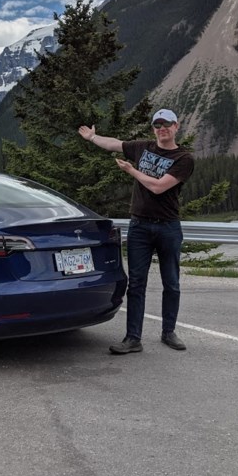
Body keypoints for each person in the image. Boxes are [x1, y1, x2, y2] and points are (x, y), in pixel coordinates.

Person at [78, 109, 195, 354]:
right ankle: (133, 338)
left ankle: (168, 332)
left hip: (168, 227)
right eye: (157, 124)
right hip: (139, 226)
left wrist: (131, 171)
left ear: (177, 126)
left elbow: (158, 187)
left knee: (171, 282)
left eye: (167, 124)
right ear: (153, 128)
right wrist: (92, 138)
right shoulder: (143, 147)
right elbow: (114, 144)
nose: (162, 128)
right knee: (137, 284)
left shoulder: (184, 158)